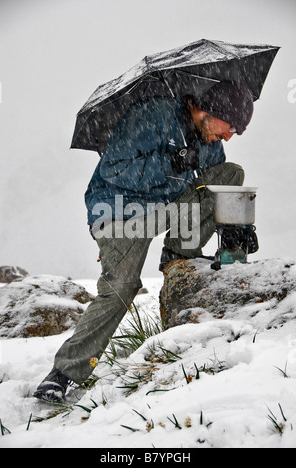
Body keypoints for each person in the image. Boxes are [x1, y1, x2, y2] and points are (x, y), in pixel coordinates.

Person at [34, 80, 256, 403]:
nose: (228, 136)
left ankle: (179, 252)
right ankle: (63, 372)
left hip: (164, 210)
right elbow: (113, 168)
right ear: (212, 110)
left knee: (232, 174)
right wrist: (172, 163)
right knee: (121, 287)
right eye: (231, 127)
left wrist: (236, 224)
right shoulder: (153, 115)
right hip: (119, 211)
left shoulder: (210, 144)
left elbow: (215, 185)